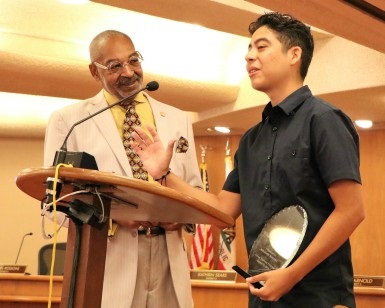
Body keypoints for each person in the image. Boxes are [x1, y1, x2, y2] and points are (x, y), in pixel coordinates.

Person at [130, 12, 365, 308]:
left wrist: (291, 275)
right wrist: (165, 174)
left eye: (261, 47)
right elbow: (222, 211)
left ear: (294, 54)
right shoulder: (252, 139)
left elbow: (352, 211)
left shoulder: (324, 120)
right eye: (248, 49)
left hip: (319, 297)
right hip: (263, 296)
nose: (249, 57)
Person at [44, 30, 202, 308]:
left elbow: (196, 189)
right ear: (95, 72)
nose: (129, 72)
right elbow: (55, 201)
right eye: (115, 66)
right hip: (109, 261)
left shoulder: (178, 118)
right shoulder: (70, 121)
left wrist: (183, 218)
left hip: (169, 260)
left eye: (134, 61)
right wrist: (112, 219)